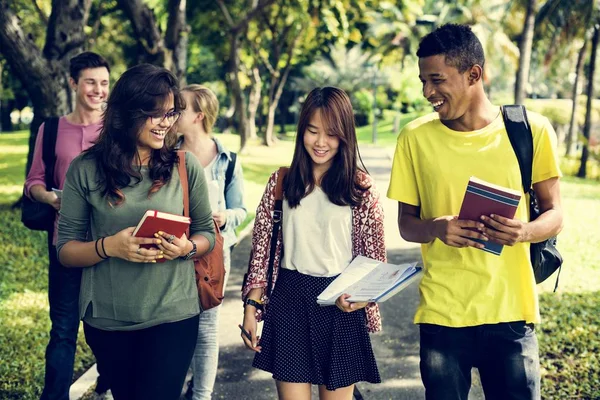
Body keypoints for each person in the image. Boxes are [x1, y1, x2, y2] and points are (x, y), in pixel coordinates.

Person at [387, 24, 563, 400]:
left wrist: (524, 232)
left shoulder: (530, 130)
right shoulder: (414, 138)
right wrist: (436, 228)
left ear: (474, 74)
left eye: (437, 80)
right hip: (442, 314)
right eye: (423, 81)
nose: (427, 92)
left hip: (511, 312)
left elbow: (555, 213)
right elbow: (406, 224)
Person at [56, 63, 216, 400]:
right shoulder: (84, 169)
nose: (166, 123)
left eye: (171, 113)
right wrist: (108, 247)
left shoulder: (185, 166)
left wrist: (186, 247)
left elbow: (207, 235)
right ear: (128, 112)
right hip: (109, 320)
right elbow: (66, 251)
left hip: (174, 313)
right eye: (155, 114)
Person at [241, 87, 385, 400]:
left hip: (340, 304)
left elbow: (375, 261)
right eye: (312, 131)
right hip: (290, 300)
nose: (320, 142)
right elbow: (261, 253)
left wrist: (362, 299)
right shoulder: (281, 182)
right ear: (301, 131)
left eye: (331, 134)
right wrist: (251, 307)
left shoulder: (360, 189)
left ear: (345, 135)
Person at [24, 51, 111, 400]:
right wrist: (50, 198)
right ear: (74, 83)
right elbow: (34, 181)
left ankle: (109, 382)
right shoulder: (51, 129)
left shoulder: (116, 128)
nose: (98, 90)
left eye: (104, 83)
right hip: (65, 245)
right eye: (90, 82)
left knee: (104, 329)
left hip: (109, 247)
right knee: (62, 331)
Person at [177, 84, 247, 400]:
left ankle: (201, 395)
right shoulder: (166, 155)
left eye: (180, 108)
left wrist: (225, 216)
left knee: (206, 329)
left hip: (215, 253)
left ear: (199, 116)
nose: (172, 113)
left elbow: (241, 209)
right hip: (174, 250)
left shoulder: (228, 160)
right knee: (175, 325)